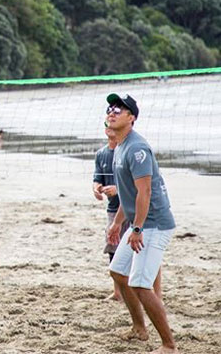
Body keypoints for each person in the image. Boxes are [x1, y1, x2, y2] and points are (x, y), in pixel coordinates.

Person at [105, 94, 178, 354]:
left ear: (132, 118)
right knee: (118, 271)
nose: (112, 112)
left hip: (154, 224)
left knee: (140, 283)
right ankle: (139, 328)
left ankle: (169, 345)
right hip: (139, 222)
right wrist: (117, 222)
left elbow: (144, 193)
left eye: (120, 109)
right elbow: (129, 194)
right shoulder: (119, 146)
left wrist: (135, 229)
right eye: (110, 108)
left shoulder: (137, 148)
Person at [93, 124, 127, 301]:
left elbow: (137, 186)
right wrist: (96, 188)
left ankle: (151, 292)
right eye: (106, 126)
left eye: (113, 127)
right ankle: (117, 292)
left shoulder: (126, 151)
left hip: (131, 208)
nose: (110, 129)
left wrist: (118, 190)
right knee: (113, 247)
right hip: (113, 209)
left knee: (135, 249)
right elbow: (97, 178)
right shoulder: (101, 154)